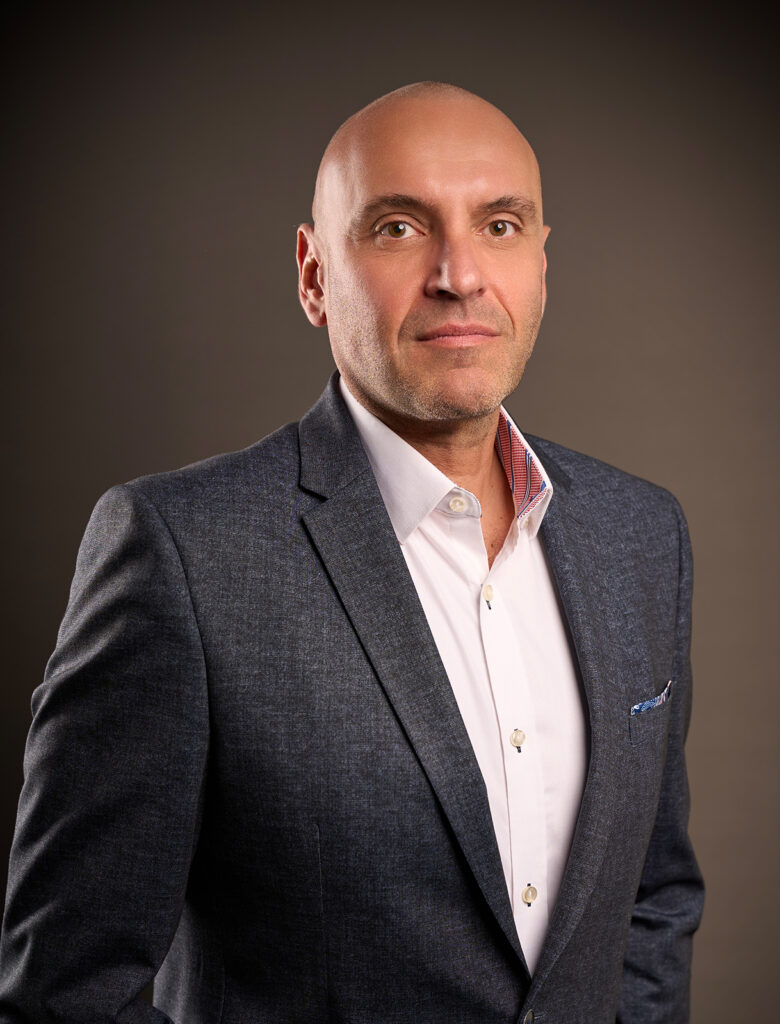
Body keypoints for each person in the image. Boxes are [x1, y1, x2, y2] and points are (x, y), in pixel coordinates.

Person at [0, 82, 704, 1023]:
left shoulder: (641, 534)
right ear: (313, 273)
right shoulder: (180, 554)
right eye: (400, 229)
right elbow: (68, 991)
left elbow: (652, 897)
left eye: (499, 225)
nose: (460, 273)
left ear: (542, 261)